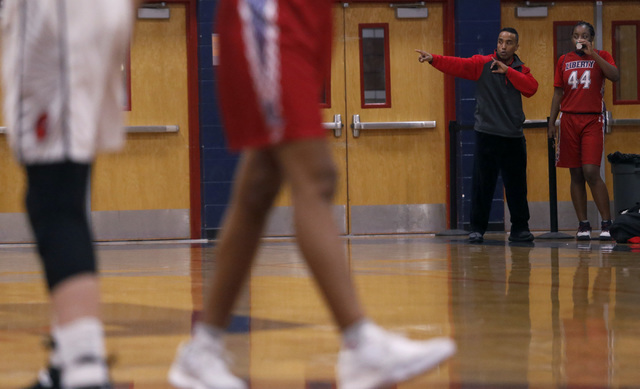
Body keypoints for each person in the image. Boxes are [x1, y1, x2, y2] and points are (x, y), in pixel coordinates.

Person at [168, 0, 455, 388]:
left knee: (258, 188)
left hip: (310, 16)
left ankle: (202, 350)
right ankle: (360, 343)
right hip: (271, 14)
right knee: (317, 176)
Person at [1, 1, 140, 388]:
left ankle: (83, 365)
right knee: (69, 186)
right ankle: (67, 358)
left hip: (55, 15)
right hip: (91, 15)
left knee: (53, 197)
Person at [416, 27, 539, 244]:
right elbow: (457, 64)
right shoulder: (482, 64)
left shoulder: (521, 70)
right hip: (487, 134)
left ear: (516, 47)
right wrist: (433, 59)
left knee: (517, 187)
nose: (503, 46)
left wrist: (507, 71)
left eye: (509, 42)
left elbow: (531, 89)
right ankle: (477, 229)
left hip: (513, 136)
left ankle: (520, 229)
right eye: (500, 41)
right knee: (483, 185)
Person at [547, 21, 619, 241]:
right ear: (572, 38)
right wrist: (551, 122)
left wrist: (593, 55)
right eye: (577, 35)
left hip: (591, 120)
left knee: (590, 171)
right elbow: (558, 94)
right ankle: (583, 224)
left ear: (591, 38)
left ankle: (606, 222)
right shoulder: (564, 60)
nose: (581, 39)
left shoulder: (602, 55)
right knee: (576, 173)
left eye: (585, 35)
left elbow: (615, 76)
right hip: (568, 119)